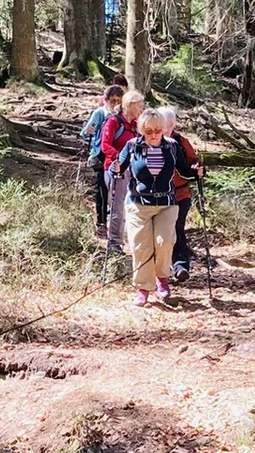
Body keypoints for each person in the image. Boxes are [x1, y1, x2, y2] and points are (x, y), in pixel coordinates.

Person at [120, 109, 198, 306]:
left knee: (164, 242)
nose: (153, 134)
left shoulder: (172, 146)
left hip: (166, 204)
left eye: (157, 130)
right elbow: (119, 168)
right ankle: (143, 289)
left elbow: (184, 171)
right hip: (138, 204)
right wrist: (115, 169)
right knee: (141, 247)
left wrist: (196, 173)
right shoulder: (132, 146)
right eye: (148, 131)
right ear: (141, 130)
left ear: (163, 129)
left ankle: (161, 279)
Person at [159, 106, 204, 282]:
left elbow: (194, 162)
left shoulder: (181, 142)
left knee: (177, 228)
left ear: (173, 125)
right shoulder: (151, 141)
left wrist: (197, 169)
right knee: (162, 233)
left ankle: (180, 267)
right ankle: (162, 270)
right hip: (158, 196)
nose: (166, 129)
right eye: (163, 125)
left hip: (180, 194)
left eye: (169, 125)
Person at [99, 88, 145, 257]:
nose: (141, 109)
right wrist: (121, 158)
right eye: (139, 106)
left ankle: (134, 242)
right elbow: (105, 145)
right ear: (130, 105)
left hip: (133, 171)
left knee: (133, 207)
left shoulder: (136, 125)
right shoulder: (114, 122)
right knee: (117, 207)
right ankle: (114, 244)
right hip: (116, 170)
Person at [79, 82, 126, 240]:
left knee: (117, 191)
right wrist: (89, 131)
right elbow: (84, 133)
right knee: (102, 189)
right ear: (106, 100)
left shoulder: (122, 116)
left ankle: (115, 225)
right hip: (100, 156)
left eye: (119, 101)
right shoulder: (100, 113)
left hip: (116, 157)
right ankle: (101, 223)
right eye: (113, 100)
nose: (115, 104)